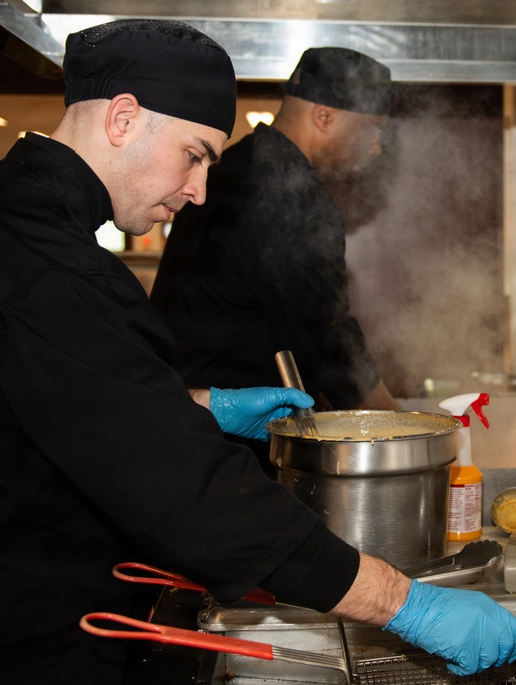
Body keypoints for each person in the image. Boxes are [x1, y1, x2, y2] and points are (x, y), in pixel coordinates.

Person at [0, 20, 516, 685]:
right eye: (194, 155)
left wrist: (197, 404)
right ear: (123, 118)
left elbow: (22, 398)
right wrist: (407, 605)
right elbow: (195, 497)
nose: (200, 191)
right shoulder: (50, 267)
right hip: (3, 650)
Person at [150, 47, 401, 475]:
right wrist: (403, 435)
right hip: (228, 451)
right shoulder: (293, 199)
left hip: (171, 418)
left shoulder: (231, 169)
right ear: (325, 117)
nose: (376, 148)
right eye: (371, 130)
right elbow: (333, 346)